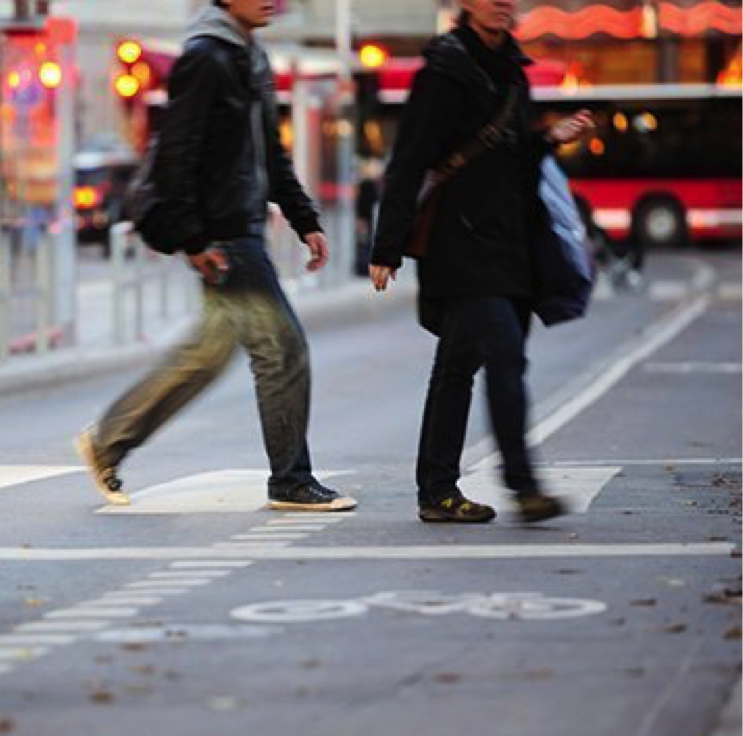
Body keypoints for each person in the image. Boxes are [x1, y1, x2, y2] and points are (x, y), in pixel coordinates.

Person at [75, 0, 356, 513]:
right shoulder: (206, 57)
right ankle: (291, 480)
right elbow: (178, 152)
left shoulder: (250, 56)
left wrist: (304, 218)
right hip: (225, 235)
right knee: (282, 350)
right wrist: (194, 239)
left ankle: (108, 442)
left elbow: (268, 152)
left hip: (241, 225)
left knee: (207, 356)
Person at [368, 0, 594, 523]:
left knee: (455, 368)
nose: (501, 4)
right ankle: (524, 486)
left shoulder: (514, 72)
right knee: (505, 356)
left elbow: (510, 158)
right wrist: (386, 246)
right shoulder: (443, 73)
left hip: (511, 245)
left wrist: (545, 140)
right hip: (460, 245)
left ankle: (436, 491)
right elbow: (408, 162)